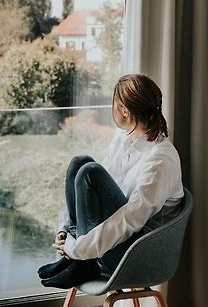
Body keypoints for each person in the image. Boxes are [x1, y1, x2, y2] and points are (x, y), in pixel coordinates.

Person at [38, 74, 184, 289]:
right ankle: (78, 261)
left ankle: (81, 261)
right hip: (120, 241)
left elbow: (130, 220)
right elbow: (97, 196)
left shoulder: (160, 159)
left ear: (125, 110)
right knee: (81, 162)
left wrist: (77, 248)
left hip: (138, 254)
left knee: (90, 172)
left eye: (114, 104)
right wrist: (66, 231)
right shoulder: (125, 140)